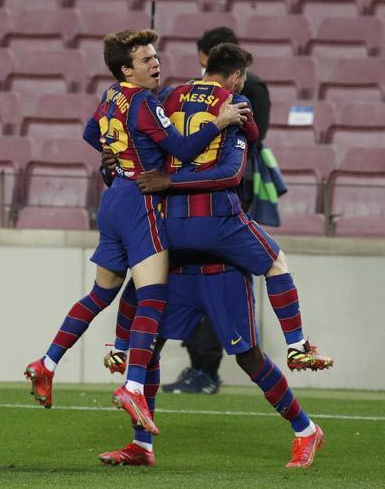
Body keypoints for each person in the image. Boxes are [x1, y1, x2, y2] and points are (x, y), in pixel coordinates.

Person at [23, 29, 248, 435]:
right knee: (154, 299)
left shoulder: (112, 95)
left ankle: (47, 363)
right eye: (146, 60)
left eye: (155, 56)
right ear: (127, 68)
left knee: (100, 294)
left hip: (112, 201)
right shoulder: (145, 101)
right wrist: (220, 120)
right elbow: (181, 150)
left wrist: (113, 153)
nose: (156, 63)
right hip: (140, 202)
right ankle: (132, 387)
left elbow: (92, 134)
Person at [110, 43, 332, 383]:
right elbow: (244, 151)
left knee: (144, 279)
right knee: (276, 262)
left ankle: (121, 350)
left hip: (166, 218)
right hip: (214, 217)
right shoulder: (235, 102)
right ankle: (297, 345)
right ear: (236, 76)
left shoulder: (169, 95)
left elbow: (141, 135)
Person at [98, 256, 325, 469]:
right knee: (149, 347)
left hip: (224, 273)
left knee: (249, 358)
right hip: (178, 269)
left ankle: (306, 430)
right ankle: (141, 445)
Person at [160, 26, 273, 394]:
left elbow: (248, 142)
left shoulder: (180, 94)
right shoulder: (233, 93)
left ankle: (205, 367)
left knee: (202, 277)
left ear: (208, 58)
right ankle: (202, 366)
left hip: (218, 198)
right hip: (211, 198)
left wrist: (172, 180)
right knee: (195, 277)